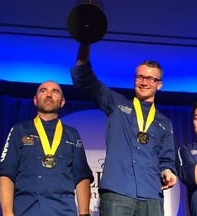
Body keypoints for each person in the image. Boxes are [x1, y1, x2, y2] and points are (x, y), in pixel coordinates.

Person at [71, 44, 177, 216]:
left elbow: (166, 159)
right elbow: (84, 78)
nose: (144, 82)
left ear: (159, 84)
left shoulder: (164, 122)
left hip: (151, 194)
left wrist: (168, 171)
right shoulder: (117, 104)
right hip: (117, 192)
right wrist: (85, 42)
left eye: (150, 79)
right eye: (140, 77)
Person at [0, 81, 94, 216]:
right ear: (35, 100)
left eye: (55, 92)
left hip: (63, 211)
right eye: (43, 91)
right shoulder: (19, 130)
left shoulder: (72, 134)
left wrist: (84, 213)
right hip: (25, 210)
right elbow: (6, 173)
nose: (49, 95)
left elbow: (82, 176)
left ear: (62, 102)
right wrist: (7, 213)